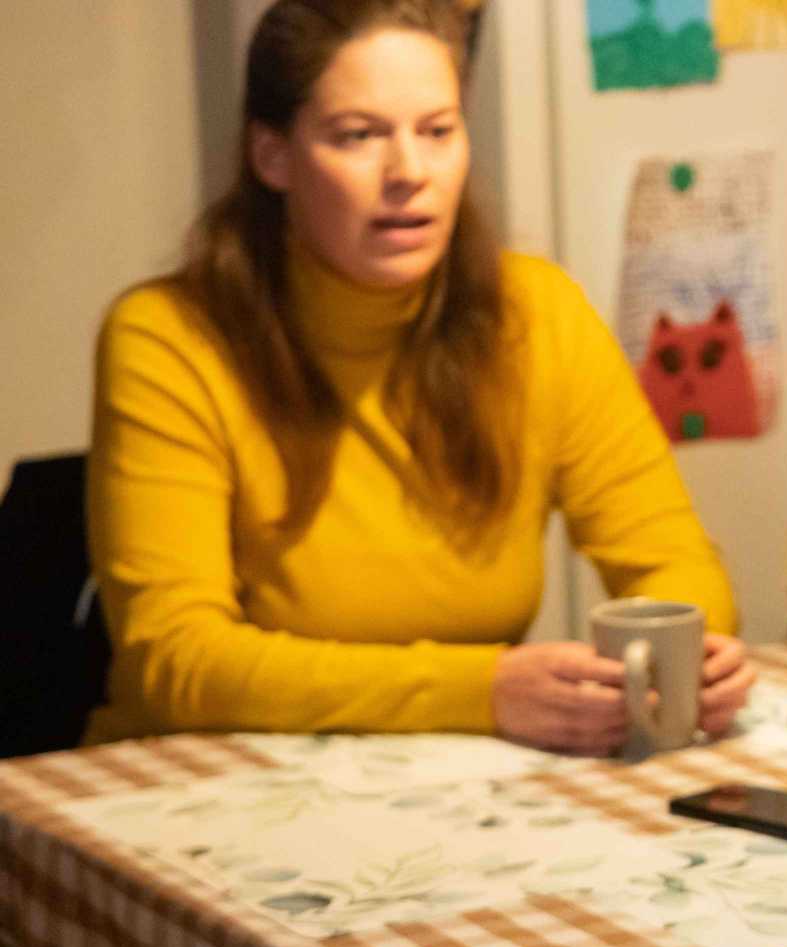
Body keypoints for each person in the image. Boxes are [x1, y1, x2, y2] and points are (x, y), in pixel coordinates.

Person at [86, 0, 753, 755]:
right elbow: (174, 657)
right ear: (273, 157)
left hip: (458, 778)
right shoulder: (169, 337)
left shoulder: (537, 312)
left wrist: (688, 650)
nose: (409, 172)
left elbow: (673, 559)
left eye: (437, 131)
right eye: (358, 136)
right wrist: (481, 691)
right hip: (203, 776)